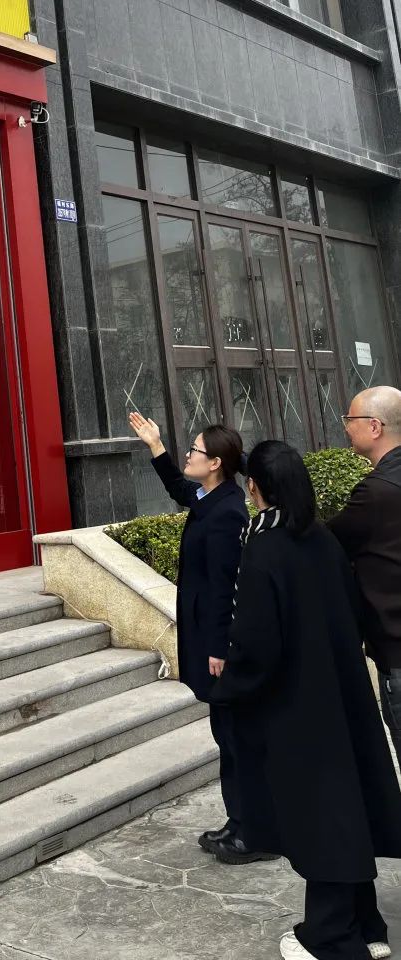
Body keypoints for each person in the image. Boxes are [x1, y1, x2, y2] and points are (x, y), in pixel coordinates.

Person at [211, 440, 401, 960]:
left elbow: (255, 640)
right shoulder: (322, 538)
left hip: (297, 704)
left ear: (254, 487)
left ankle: (331, 936)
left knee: (321, 818)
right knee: (346, 808)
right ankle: (367, 925)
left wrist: (231, 690)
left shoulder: (265, 546)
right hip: (343, 692)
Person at [128, 411, 265, 863]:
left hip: (218, 645)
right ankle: (240, 821)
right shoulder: (212, 497)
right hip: (208, 639)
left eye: (195, 450)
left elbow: (227, 587)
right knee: (227, 735)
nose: (188, 455)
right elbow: (181, 491)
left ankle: (252, 831)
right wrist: (156, 446)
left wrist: (220, 648)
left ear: (216, 463)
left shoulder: (227, 511)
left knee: (235, 737)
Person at [331, 385, 401, 769]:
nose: (346, 427)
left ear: (374, 427)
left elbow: (326, 543)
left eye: (350, 419)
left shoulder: (376, 493)